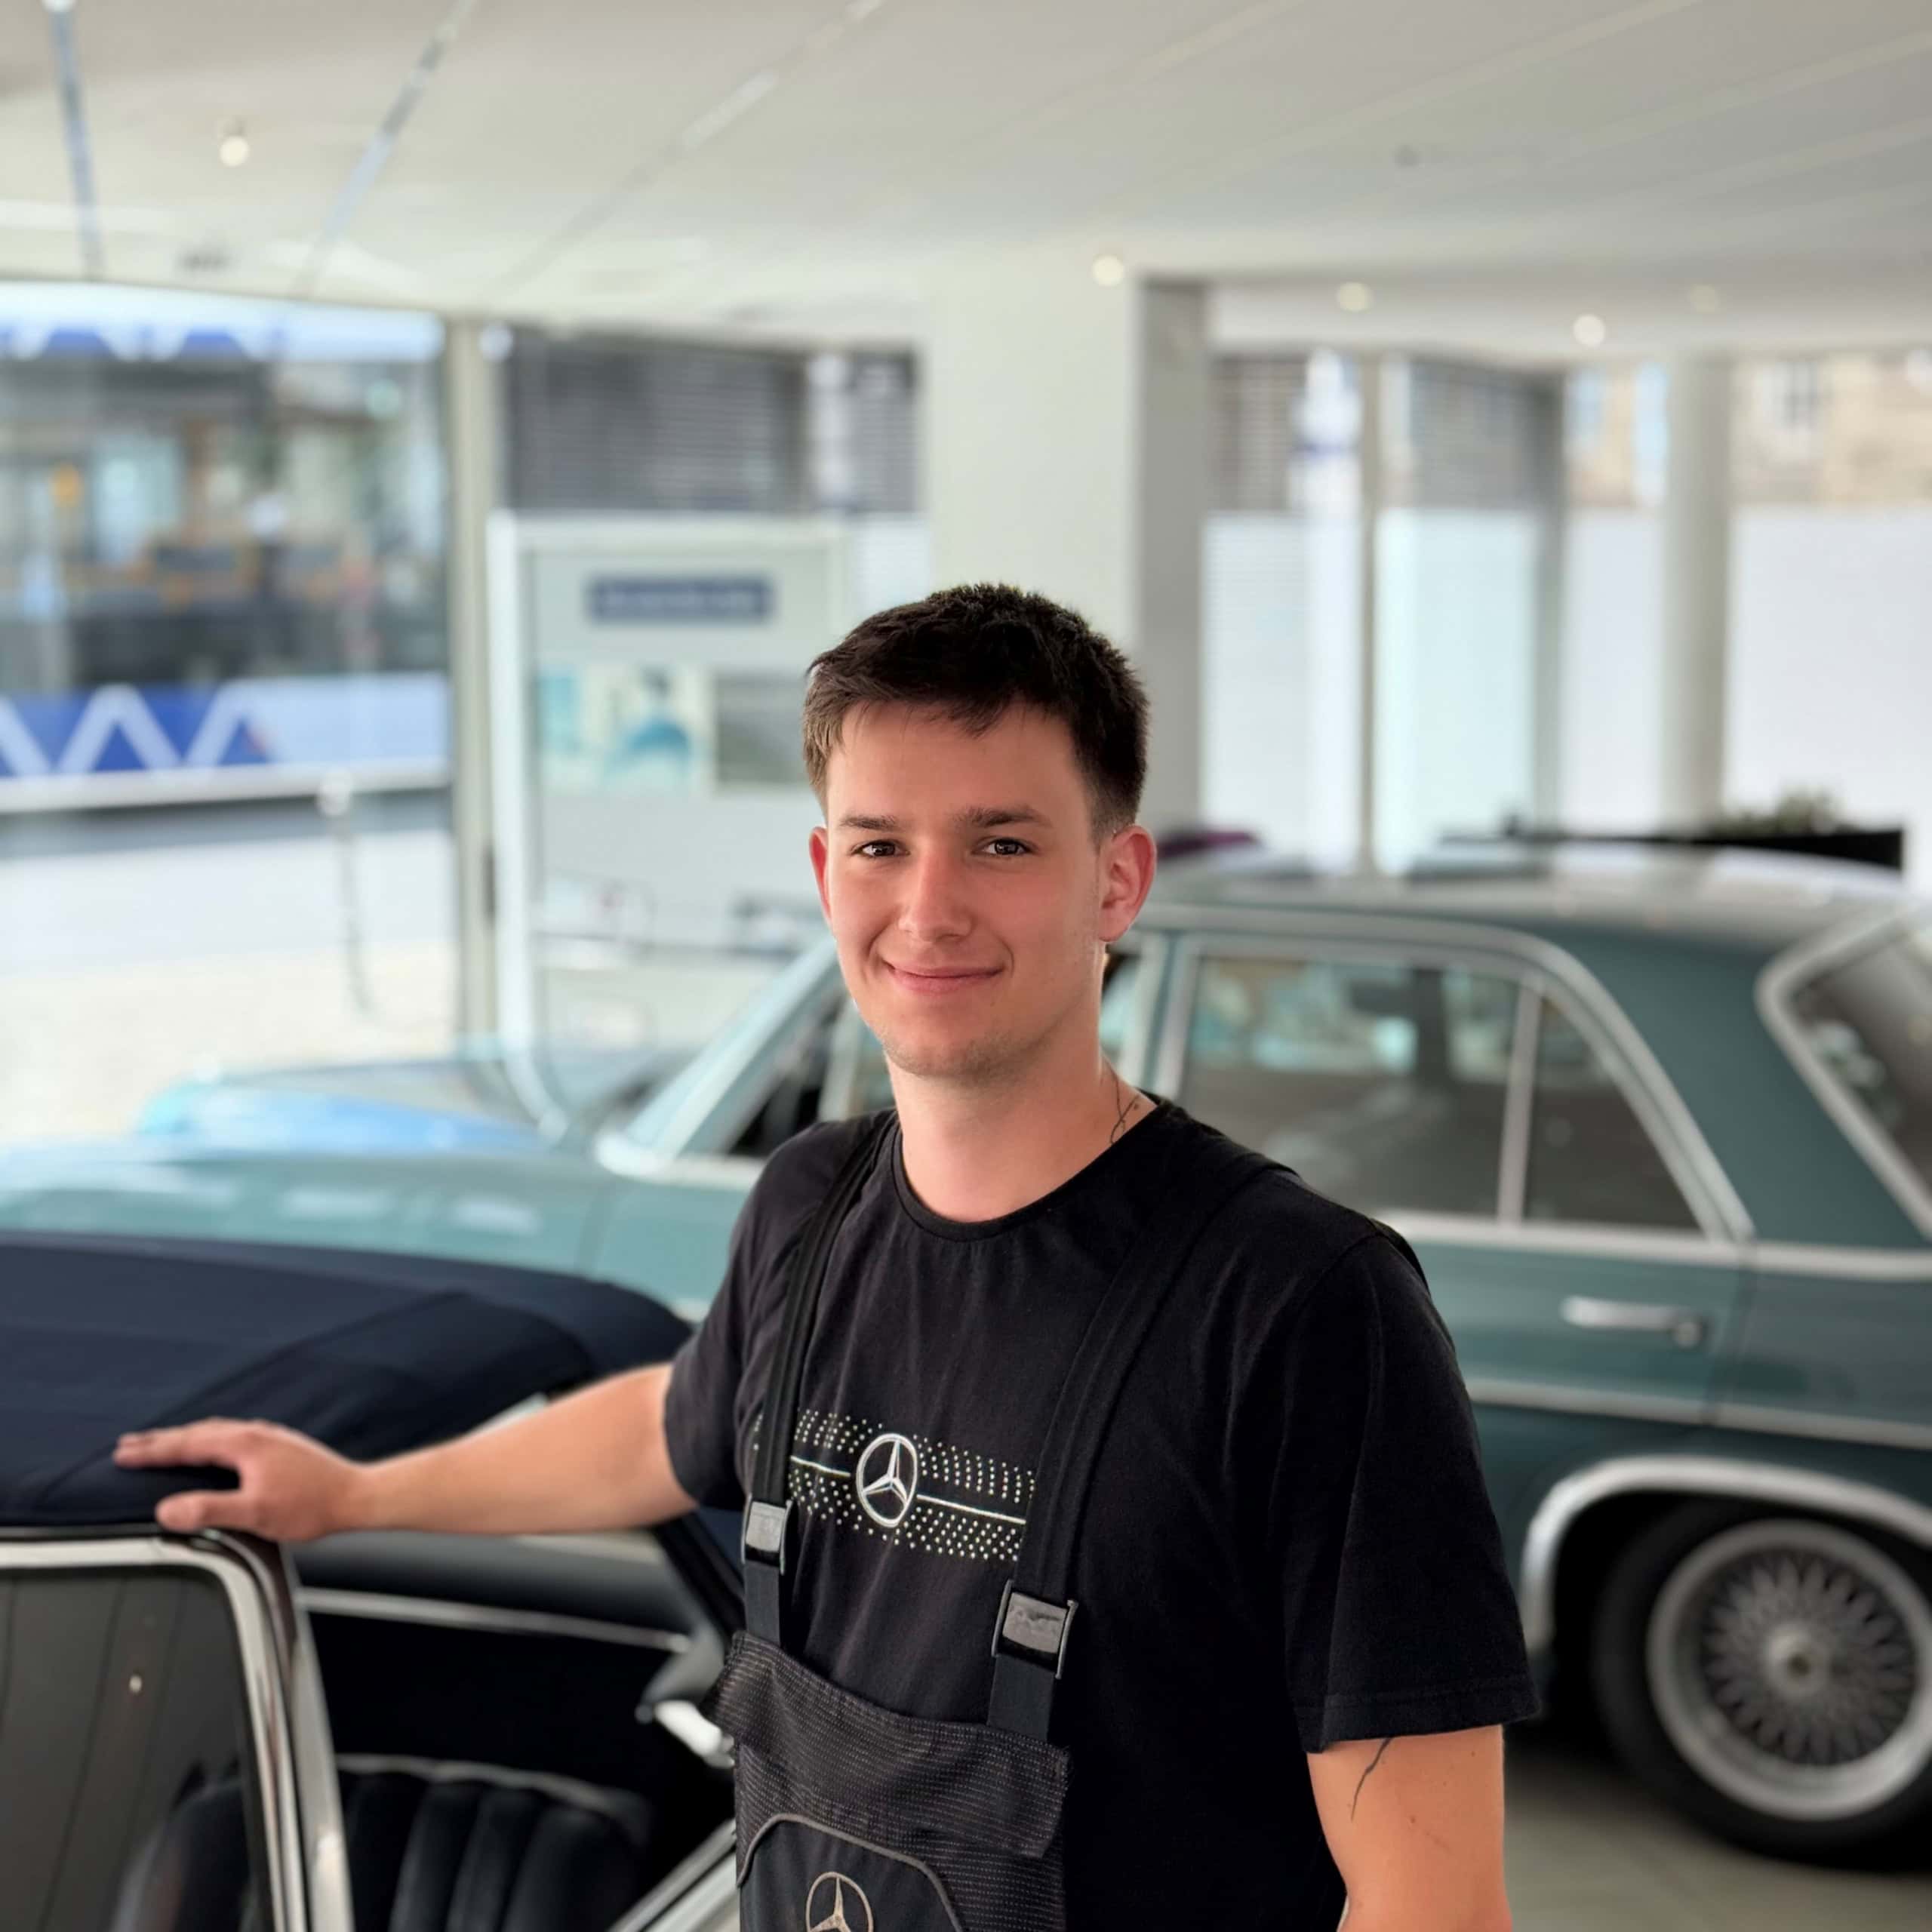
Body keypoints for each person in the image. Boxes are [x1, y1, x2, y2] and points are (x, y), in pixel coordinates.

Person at [118, 584, 1537, 1931]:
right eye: (879, 846)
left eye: (1000, 844)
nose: (928, 909)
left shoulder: (1301, 1307)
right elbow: (675, 1430)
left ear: (1117, 881)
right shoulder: (808, 1204)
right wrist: (355, 1493)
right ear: (822, 873)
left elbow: (1434, 1903)